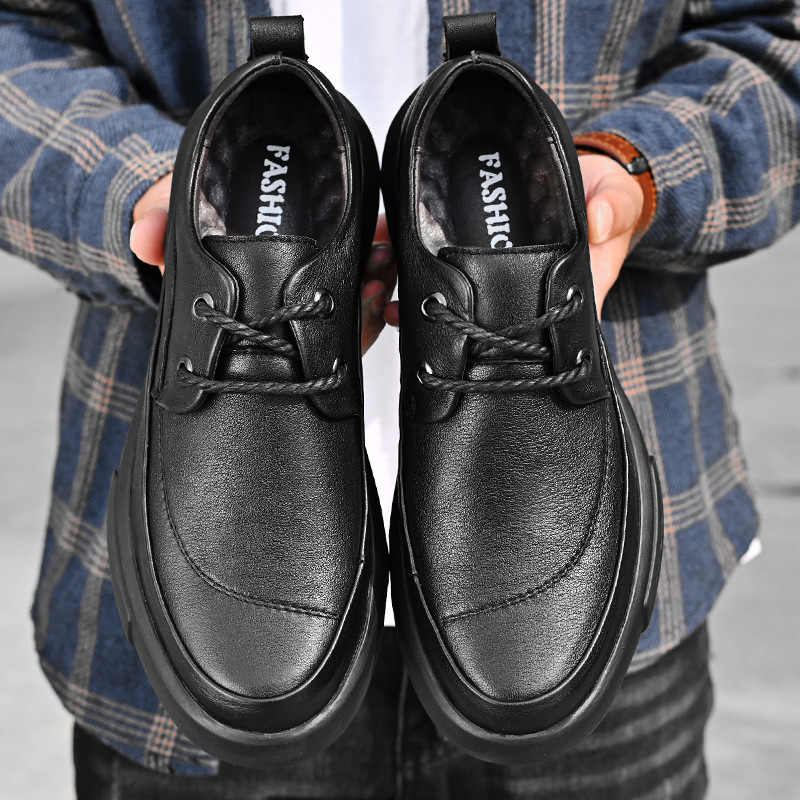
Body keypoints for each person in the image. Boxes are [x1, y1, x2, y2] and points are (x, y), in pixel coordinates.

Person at [1, 1, 797, 797]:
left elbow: (776, 38)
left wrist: (638, 172)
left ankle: (513, 284)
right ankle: (245, 282)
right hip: (172, 652)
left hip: (622, 622)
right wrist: (148, 195)